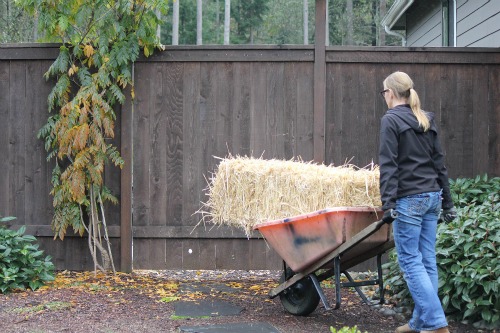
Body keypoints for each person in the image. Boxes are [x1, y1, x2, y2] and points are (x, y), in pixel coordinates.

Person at [378, 71, 457, 333]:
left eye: (384, 92)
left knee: (411, 262)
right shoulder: (425, 119)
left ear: (390, 93)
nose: (384, 96)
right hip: (432, 197)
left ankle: (436, 325)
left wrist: (387, 204)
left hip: (409, 200)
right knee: (426, 261)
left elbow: (388, 165)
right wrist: (448, 203)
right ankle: (420, 323)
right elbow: (439, 164)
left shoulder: (391, 120)